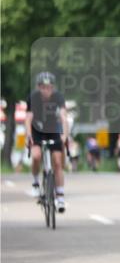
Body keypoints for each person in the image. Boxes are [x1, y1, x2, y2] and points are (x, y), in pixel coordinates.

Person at [25, 72, 71, 211]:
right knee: (36, 156)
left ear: (53, 87)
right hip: (37, 130)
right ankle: (35, 183)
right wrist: (29, 136)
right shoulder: (33, 97)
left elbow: (63, 117)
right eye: (43, 87)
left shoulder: (58, 97)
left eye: (49, 87)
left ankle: (60, 196)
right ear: (39, 87)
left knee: (57, 162)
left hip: (52, 129)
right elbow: (28, 119)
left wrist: (64, 136)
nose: (46, 90)